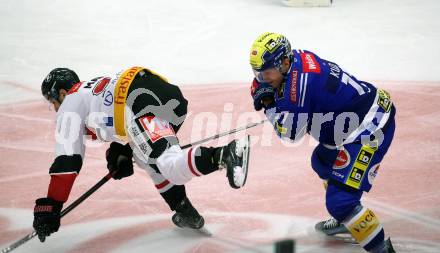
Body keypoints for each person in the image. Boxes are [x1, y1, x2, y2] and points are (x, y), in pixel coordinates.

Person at [33, 66, 250, 242]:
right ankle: (183, 208)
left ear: (61, 93)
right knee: (147, 157)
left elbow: (67, 161)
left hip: (136, 102)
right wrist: (123, 151)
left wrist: (51, 205)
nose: (55, 109)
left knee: (169, 164)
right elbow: (115, 120)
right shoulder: (89, 91)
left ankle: (224, 154)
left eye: (52, 102)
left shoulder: (69, 104)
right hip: (160, 93)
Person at [249, 32, 396, 253]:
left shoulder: (296, 88)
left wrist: (270, 105)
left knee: (340, 202)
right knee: (322, 160)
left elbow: (290, 135)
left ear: (284, 63)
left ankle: (379, 247)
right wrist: (274, 95)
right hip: (356, 118)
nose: (261, 79)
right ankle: (348, 219)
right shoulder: (295, 61)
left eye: (266, 73)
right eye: (257, 73)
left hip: (371, 127)